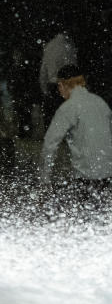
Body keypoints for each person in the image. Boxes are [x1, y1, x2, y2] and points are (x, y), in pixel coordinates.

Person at [40, 65, 112, 203]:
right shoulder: (100, 102)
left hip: (87, 176)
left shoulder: (68, 107)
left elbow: (50, 144)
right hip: (109, 173)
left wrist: (45, 179)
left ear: (61, 84)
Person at [39, 30, 77, 128]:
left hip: (52, 84)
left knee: (51, 112)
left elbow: (43, 70)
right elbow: (73, 67)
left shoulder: (49, 47)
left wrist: (44, 88)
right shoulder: (69, 47)